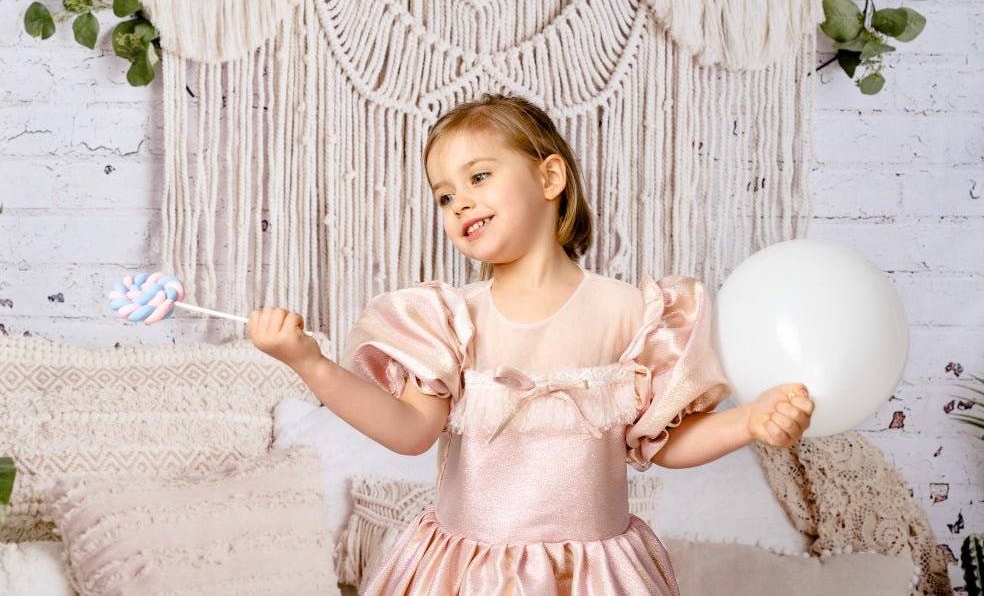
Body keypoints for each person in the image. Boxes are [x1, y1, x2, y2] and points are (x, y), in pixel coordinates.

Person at [249, 94, 815, 595]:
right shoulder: (452, 320)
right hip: (470, 573)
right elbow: (409, 430)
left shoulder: (628, 313)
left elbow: (661, 444)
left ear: (549, 179)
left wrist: (748, 423)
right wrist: (310, 363)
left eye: (477, 178)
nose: (460, 204)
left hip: (591, 575)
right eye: (444, 196)